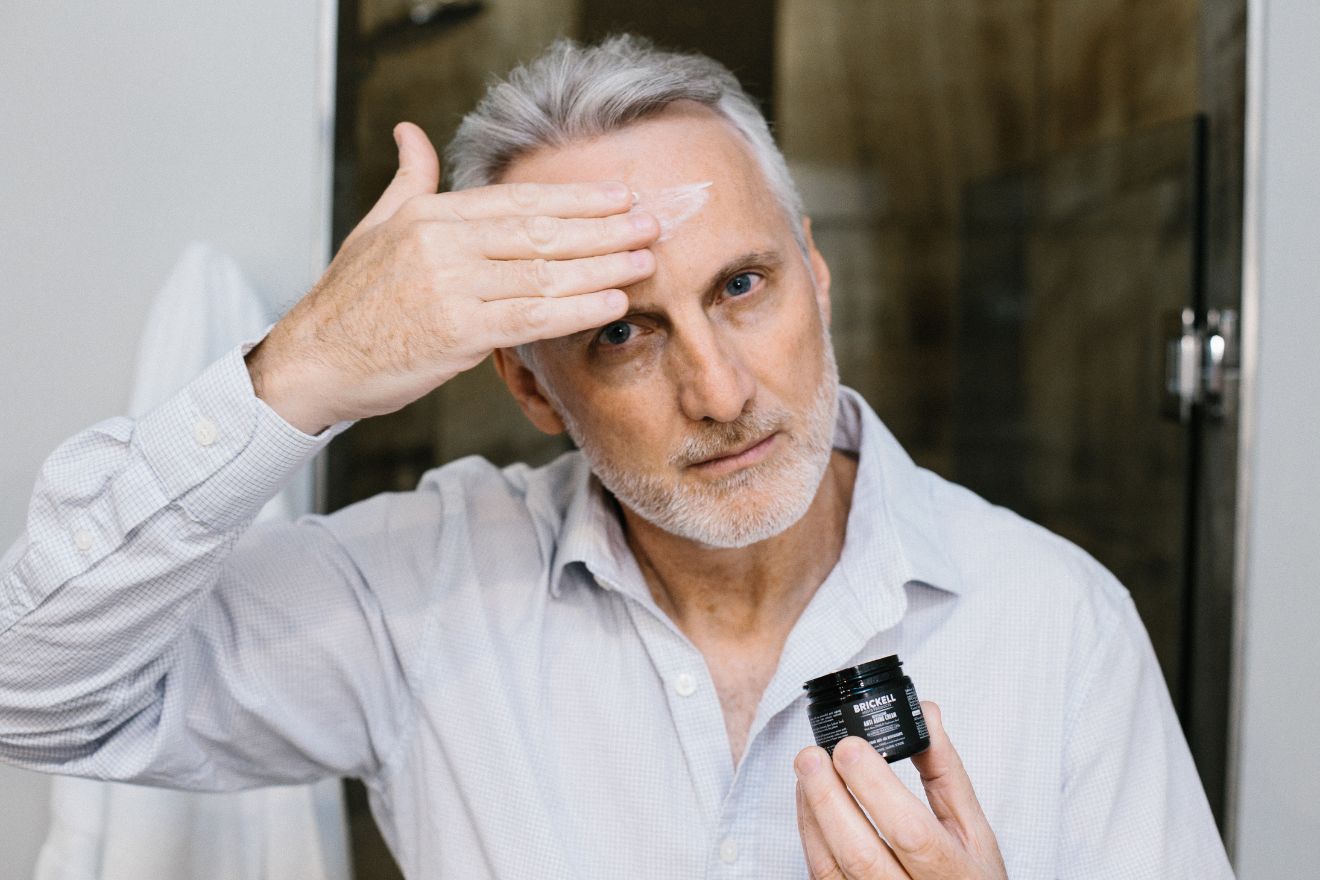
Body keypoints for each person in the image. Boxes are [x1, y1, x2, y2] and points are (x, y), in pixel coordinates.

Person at [0, 35, 1231, 879]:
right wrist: (303, 365)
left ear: (816, 270)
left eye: (742, 285)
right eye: (622, 333)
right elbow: (35, 690)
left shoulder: (1056, 622)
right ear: (531, 387)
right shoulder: (421, 593)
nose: (720, 388)